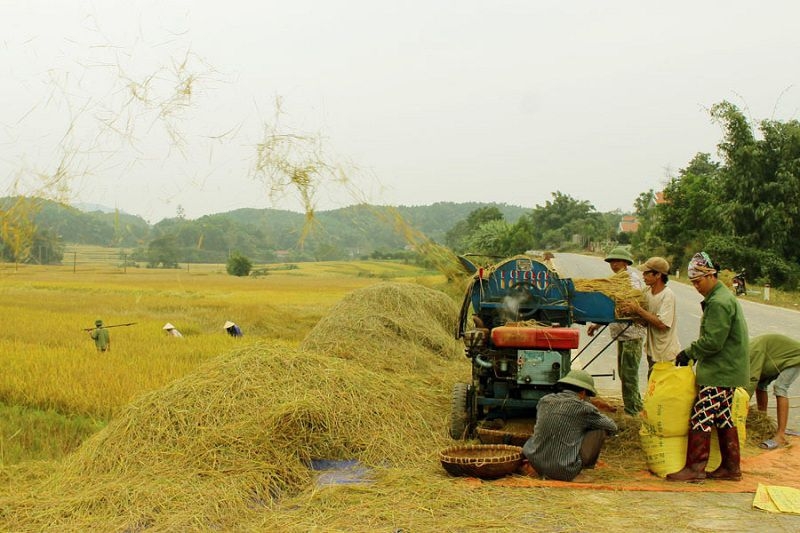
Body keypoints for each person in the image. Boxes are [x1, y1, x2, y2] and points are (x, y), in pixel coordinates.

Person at [666, 251, 749, 482]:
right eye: (692, 282)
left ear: (711, 275)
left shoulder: (720, 302)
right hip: (728, 369)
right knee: (723, 417)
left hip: (720, 371)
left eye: (698, 281)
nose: (696, 287)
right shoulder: (721, 298)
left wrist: (689, 352)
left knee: (701, 415)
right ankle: (731, 469)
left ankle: (695, 468)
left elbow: (713, 341)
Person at [522, 369, 618, 481]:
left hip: (536, 463)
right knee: (600, 430)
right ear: (583, 393)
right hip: (564, 471)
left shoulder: (545, 400)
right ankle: (578, 471)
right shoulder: (584, 408)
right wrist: (593, 409)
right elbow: (612, 427)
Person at [587, 247, 646, 415]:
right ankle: (635, 405)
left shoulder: (631, 280)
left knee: (629, 374)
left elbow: (631, 303)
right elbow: (610, 308)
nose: (613, 264)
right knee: (623, 373)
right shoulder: (615, 280)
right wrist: (597, 324)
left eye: (617, 261)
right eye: (611, 262)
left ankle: (633, 411)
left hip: (632, 333)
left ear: (626, 263)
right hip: (622, 334)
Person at [619, 256, 681, 376]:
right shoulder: (647, 292)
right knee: (652, 386)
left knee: (662, 388)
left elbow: (662, 324)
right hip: (652, 351)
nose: (643, 276)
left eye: (647, 274)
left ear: (658, 275)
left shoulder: (667, 295)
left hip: (665, 353)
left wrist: (638, 310)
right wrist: (631, 312)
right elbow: (646, 320)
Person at [747, 333, 800, 450]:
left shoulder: (751, 352)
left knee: (780, 387)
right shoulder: (744, 353)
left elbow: (752, 380)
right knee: (761, 385)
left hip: (794, 357)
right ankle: (762, 422)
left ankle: (780, 436)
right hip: (775, 359)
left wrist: (742, 404)